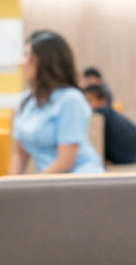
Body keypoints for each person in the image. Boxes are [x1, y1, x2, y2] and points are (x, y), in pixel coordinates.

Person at [8, 30, 104, 174]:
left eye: (27, 56)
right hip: (47, 182)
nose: (22, 62)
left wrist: (31, 189)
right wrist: (9, 190)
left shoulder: (70, 100)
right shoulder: (26, 101)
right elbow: (20, 155)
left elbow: (65, 161)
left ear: (45, 62)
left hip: (78, 180)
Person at [83, 84, 136, 164]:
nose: (85, 104)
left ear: (102, 101)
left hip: (128, 158)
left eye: (89, 101)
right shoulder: (112, 115)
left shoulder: (100, 115)